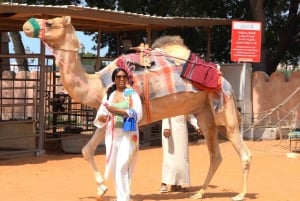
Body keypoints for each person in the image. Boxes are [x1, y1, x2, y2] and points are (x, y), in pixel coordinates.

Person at [94, 67, 143, 201]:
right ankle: (123, 197)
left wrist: (119, 111)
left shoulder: (132, 94)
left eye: (124, 77)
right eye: (118, 77)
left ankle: (123, 199)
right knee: (115, 167)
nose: (121, 79)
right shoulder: (109, 95)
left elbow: (138, 114)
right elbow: (100, 116)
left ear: (127, 79)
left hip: (128, 134)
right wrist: (102, 118)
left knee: (122, 166)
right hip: (112, 136)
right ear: (114, 79)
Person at [160, 114, 199, 193]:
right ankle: (164, 184)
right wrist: (166, 127)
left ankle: (176, 184)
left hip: (181, 129)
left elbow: (188, 114)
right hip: (170, 130)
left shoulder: (185, 101)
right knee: (169, 157)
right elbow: (166, 110)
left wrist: (197, 125)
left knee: (182, 158)